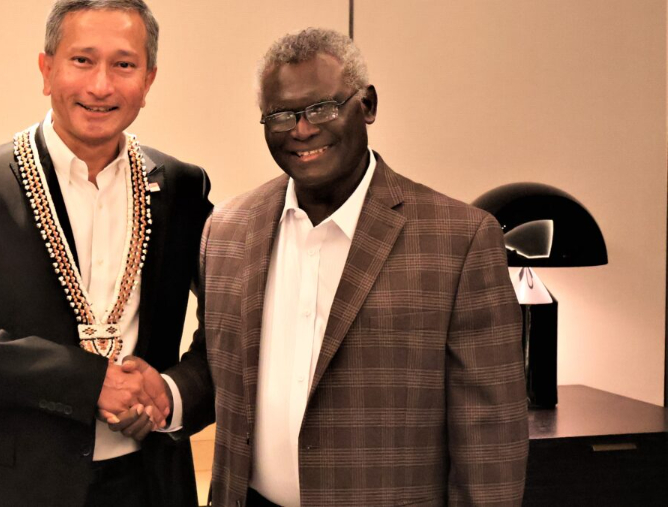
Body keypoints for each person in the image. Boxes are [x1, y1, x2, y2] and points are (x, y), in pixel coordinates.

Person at [164, 28, 529, 507]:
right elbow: (221, 367)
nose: (302, 129)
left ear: (368, 105)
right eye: (281, 115)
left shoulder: (460, 241)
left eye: (322, 108)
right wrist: (162, 396)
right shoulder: (227, 232)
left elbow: (491, 445)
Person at [0, 1, 210, 506]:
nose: (100, 86)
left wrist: (173, 392)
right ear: (47, 70)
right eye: (82, 60)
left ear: (149, 80)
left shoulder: (180, 187)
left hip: (149, 479)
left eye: (124, 64)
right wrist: (88, 383)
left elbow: (234, 319)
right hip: (8, 484)